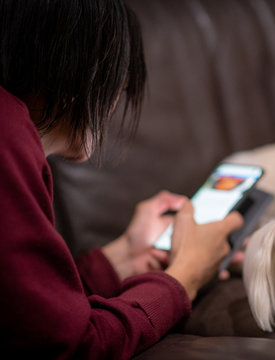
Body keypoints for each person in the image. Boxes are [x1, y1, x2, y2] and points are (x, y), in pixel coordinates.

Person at [0, 1, 243, 358]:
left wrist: (122, 258)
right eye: (119, 81)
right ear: (77, 70)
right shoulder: (7, 132)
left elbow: (25, 314)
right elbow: (75, 346)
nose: (114, 102)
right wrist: (186, 275)